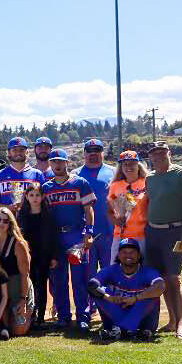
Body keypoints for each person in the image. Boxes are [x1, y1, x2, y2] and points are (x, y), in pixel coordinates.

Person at [141, 141, 182, 341]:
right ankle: (172, 321)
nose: (157, 156)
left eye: (161, 152)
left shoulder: (181, 174)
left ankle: (181, 326)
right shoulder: (149, 178)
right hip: (152, 233)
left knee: (174, 278)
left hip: (175, 232)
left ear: (169, 153)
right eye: (153, 154)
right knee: (162, 279)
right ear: (150, 157)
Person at [42, 150, 96, 333]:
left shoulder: (80, 183)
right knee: (59, 279)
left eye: (61, 161)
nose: (57, 165)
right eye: (54, 162)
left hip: (76, 236)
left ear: (67, 163)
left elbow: (89, 210)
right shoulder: (46, 188)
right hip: (56, 239)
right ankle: (63, 316)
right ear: (50, 164)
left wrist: (89, 232)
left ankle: (83, 316)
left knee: (79, 279)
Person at [87, 238, 165, 342]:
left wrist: (136, 298)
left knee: (152, 296)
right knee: (99, 292)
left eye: (132, 252)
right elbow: (91, 285)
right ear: (118, 255)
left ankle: (121, 330)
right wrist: (110, 298)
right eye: (124, 252)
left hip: (141, 317)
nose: (128, 255)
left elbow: (161, 286)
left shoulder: (147, 272)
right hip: (118, 311)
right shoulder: (112, 270)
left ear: (139, 255)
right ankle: (127, 330)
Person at [0, 206, 32, 336]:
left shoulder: (18, 244)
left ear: (10, 224)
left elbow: (25, 274)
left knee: (18, 331)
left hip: (17, 287)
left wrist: (23, 299)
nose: (1, 223)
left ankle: (29, 312)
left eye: (5, 221)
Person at [73, 139, 115, 289]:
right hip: (84, 234)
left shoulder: (114, 172)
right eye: (89, 151)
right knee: (87, 274)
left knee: (111, 272)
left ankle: (111, 305)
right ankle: (91, 307)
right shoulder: (75, 174)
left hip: (109, 233)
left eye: (97, 151)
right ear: (84, 153)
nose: (93, 154)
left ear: (102, 153)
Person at [16, 182, 58, 328]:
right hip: (28, 256)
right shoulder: (22, 214)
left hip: (44, 255)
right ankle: (31, 315)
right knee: (29, 285)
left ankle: (41, 317)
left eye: (37, 195)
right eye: (31, 195)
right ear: (26, 196)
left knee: (42, 285)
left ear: (42, 197)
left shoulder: (48, 214)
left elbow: (54, 236)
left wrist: (53, 256)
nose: (34, 198)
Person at [0, 137, 46, 211]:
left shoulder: (37, 174)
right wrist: (9, 208)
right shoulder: (0, 175)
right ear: (9, 153)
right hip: (8, 221)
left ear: (27, 152)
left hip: (31, 220)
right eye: (14, 150)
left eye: (21, 150)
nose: (18, 153)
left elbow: (44, 200)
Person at [108, 150, 148, 255]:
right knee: (116, 268)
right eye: (125, 164)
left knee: (141, 268)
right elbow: (110, 209)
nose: (128, 167)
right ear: (121, 167)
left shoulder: (147, 182)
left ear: (138, 165)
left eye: (132, 163)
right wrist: (115, 219)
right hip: (120, 236)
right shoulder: (115, 186)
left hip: (142, 236)